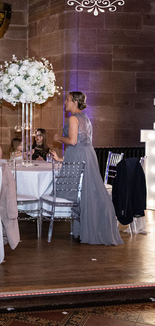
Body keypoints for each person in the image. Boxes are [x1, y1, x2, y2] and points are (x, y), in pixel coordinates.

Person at [50, 91, 123, 245]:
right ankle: (87, 228)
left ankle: (94, 228)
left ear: (75, 102)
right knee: (87, 192)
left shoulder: (73, 118)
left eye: (68, 100)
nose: (65, 103)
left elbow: (73, 141)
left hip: (81, 154)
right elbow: (80, 146)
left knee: (83, 192)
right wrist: (61, 159)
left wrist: (58, 138)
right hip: (87, 155)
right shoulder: (86, 118)